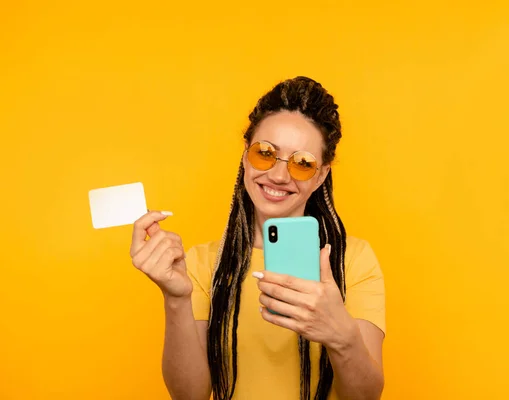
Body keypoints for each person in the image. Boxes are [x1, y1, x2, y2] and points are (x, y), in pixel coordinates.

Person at [129, 76, 386, 400]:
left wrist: (343, 336)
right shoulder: (201, 263)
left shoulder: (353, 261)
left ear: (321, 174)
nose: (279, 175)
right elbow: (189, 396)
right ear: (245, 154)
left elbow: (366, 397)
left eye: (303, 163)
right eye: (265, 152)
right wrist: (176, 299)